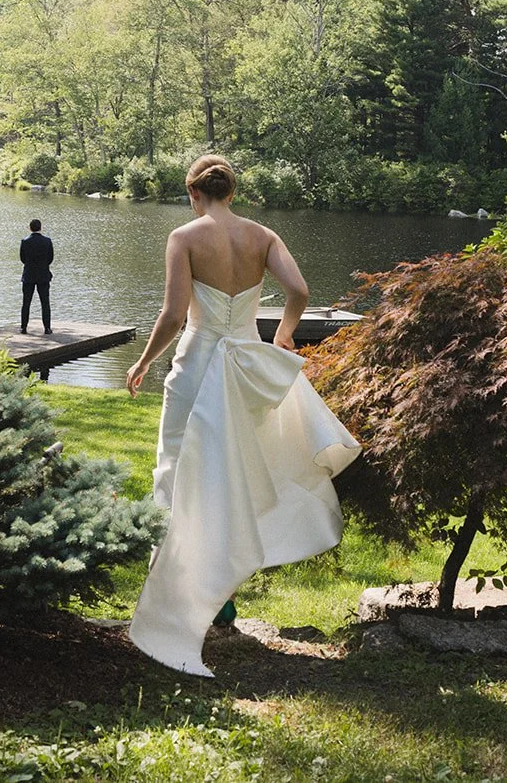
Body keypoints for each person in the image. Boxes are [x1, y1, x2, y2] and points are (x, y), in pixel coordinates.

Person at [124, 155, 360, 677]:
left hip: (197, 368)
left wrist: (143, 361)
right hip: (245, 369)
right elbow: (298, 291)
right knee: (233, 478)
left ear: (194, 194)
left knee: (182, 471)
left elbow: (173, 314)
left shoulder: (184, 237)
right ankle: (223, 601)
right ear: (230, 192)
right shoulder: (263, 235)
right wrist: (280, 334)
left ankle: (182, 600)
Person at [20, 218, 54, 335]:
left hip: (29, 275)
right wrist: (43, 266)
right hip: (43, 275)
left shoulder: (25, 241)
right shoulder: (47, 241)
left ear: (30, 228)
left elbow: (22, 259)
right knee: (45, 303)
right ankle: (47, 328)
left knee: (26, 302)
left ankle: (23, 327)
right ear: (41, 228)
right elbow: (50, 258)